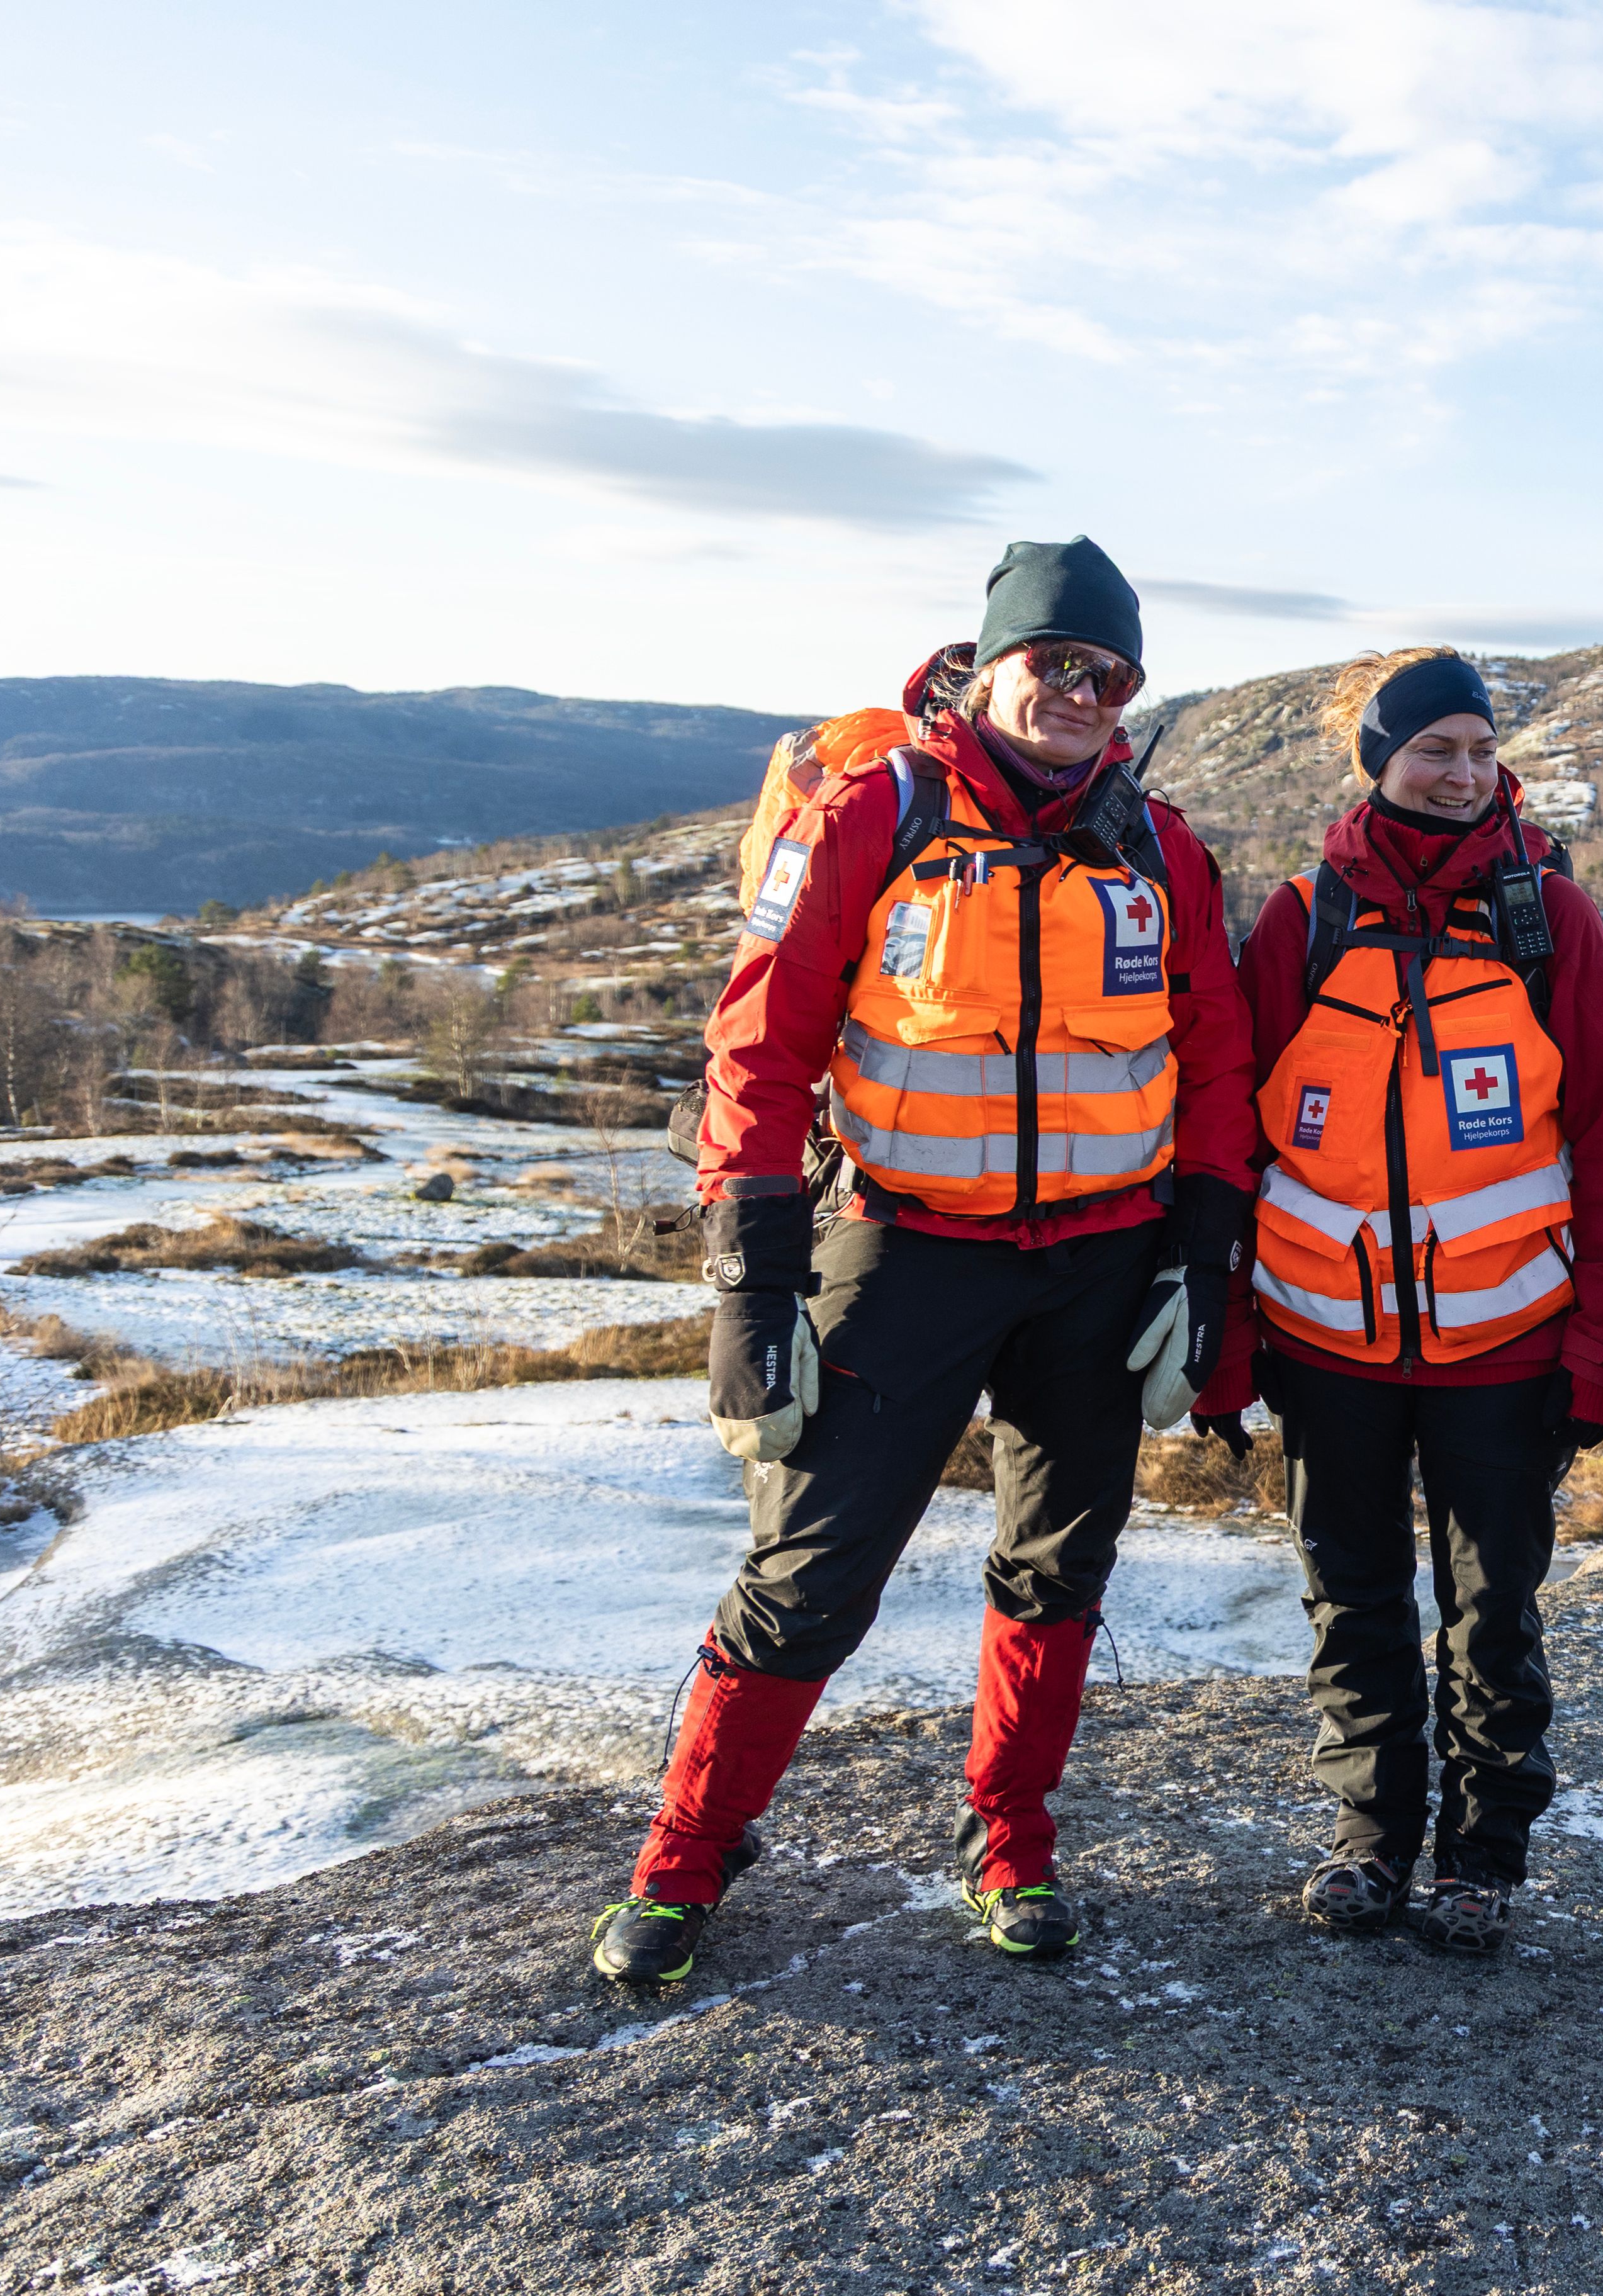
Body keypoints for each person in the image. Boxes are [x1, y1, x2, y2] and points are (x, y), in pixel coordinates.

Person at [588, 536, 1259, 1984]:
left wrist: (1203, 1258)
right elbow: (757, 1052)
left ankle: (1010, 1840)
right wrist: (753, 1286)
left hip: (1101, 1262)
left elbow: (1217, 1058)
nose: (1083, 690)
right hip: (906, 1252)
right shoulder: (875, 814)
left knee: (1060, 1568)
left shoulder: (1163, 846)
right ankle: (685, 1860)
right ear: (991, 660)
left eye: (1111, 672)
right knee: (808, 1572)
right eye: (1056, 661)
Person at [1215, 646, 1603, 1955]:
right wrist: (1232, 1345)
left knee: (1494, 1615)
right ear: (1379, 760)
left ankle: (1484, 1851)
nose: (1463, 774)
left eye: (1480, 749)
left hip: (1507, 1349)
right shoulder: (1305, 920)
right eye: (1434, 750)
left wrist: (1600, 1360)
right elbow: (1234, 1152)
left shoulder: (1549, 922)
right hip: (1325, 1346)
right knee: (1351, 1600)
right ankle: (1370, 1839)